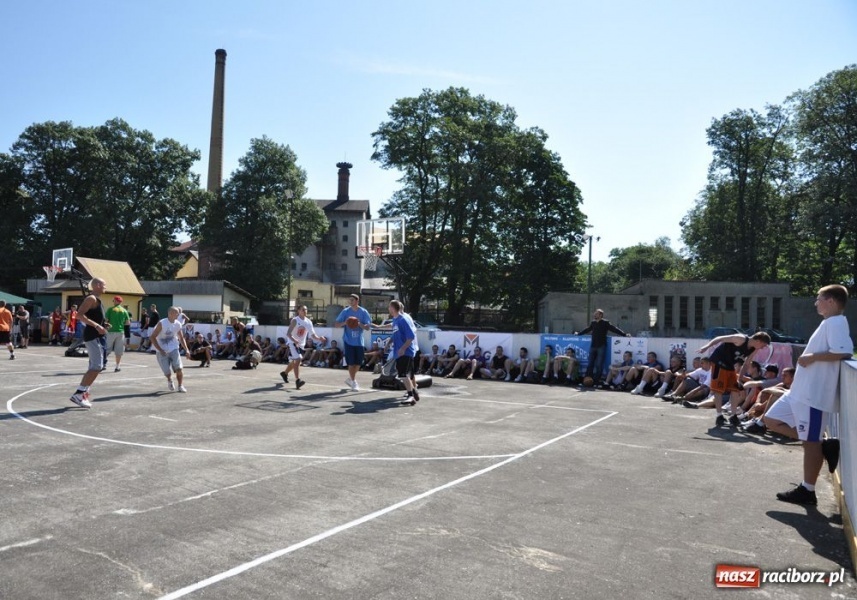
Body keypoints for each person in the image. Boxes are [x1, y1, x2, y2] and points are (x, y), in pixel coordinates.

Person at [763, 285, 853, 506]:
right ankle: (824, 447)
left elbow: (843, 351)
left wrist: (811, 357)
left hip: (812, 396)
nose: (816, 302)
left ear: (831, 301)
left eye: (819, 298)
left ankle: (808, 491)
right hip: (800, 392)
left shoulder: (836, 322)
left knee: (810, 442)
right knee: (770, 420)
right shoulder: (829, 322)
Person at [698, 331, 771, 427]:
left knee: (735, 389)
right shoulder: (740, 339)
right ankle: (719, 416)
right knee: (718, 390)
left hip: (729, 366)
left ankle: (733, 416)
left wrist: (740, 379)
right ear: (758, 341)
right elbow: (719, 338)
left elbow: (746, 363)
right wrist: (706, 347)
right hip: (718, 363)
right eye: (763, 345)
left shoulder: (754, 349)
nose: (763, 348)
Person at [68, 278, 108, 408]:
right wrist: (97, 326)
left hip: (96, 336)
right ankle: (79, 394)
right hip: (92, 336)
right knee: (97, 366)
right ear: (97, 285)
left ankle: (83, 393)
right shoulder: (91, 299)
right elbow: (79, 315)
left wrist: (103, 325)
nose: (105, 286)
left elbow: (91, 317)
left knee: (94, 366)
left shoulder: (98, 300)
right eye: (104, 284)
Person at [578, 309, 630, 385]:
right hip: (593, 346)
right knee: (590, 364)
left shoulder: (605, 323)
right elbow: (587, 329)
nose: (594, 315)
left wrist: (624, 334)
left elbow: (614, 329)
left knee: (599, 365)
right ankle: (587, 380)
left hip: (601, 346)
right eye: (594, 314)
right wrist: (579, 333)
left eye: (596, 314)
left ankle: (596, 381)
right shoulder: (593, 323)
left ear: (600, 315)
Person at [279, 305, 326, 390]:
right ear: (298, 311)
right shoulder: (295, 320)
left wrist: (319, 338)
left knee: (294, 362)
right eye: (303, 310)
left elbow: (313, 335)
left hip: (301, 345)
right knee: (298, 359)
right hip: (292, 343)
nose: (305, 311)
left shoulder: (308, 322)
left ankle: (285, 373)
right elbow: (288, 333)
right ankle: (298, 381)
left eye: (306, 309)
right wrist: (294, 340)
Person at [334, 294, 373, 391]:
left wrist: (359, 324)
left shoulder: (363, 312)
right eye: (349, 300)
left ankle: (350, 379)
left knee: (359, 363)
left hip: (359, 341)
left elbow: (368, 327)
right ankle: (353, 381)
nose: (350, 302)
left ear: (357, 301)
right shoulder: (346, 311)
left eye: (352, 300)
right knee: (351, 363)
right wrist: (345, 323)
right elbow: (336, 324)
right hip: (348, 341)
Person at [150, 306, 191, 392]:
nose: (177, 314)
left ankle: (180, 386)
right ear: (169, 313)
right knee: (167, 372)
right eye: (175, 313)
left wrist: (186, 349)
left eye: (177, 313)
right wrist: (160, 350)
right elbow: (152, 337)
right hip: (161, 350)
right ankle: (169, 379)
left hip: (174, 348)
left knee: (179, 368)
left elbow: (181, 337)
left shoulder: (178, 324)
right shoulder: (162, 323)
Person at [388, 300, 420, 405]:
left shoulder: (403, 320)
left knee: (403, 374)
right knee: (405, 374)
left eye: (390, 307)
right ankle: (413, 391)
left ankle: (411, 396)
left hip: (405, 352)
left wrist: (402, 348)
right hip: (399, 352)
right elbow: (395, 334)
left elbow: (410, 336)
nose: (388, 309)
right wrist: (389, 343)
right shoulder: (395, 320)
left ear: (393, 308)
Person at [104, 296, 130, 372]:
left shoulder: (110, 309)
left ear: (115, 301)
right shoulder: (124, 311)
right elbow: (128, 323)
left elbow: (106, 321)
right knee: (119, 351)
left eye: (113, 300)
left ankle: (103, 364)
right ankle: (117, 367)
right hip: (121, 332)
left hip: (111, 331)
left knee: (107, 349)